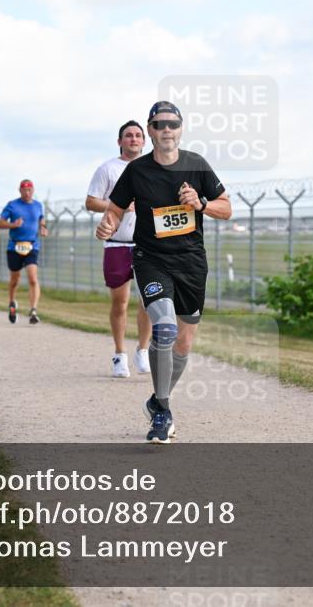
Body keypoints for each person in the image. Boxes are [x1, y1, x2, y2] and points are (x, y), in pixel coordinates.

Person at [96, 101, 231, 444]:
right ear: (151, 130)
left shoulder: (197, 166)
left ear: (181, 128)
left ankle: (157, 399)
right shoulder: (137, 171)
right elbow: (114, 209)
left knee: (183, 343)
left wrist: (201, 204)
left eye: (172, 124)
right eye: (159, 124)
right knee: (165, 327)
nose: (166, 129)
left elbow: (226, 208)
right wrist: (107, 224)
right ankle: (164, 411)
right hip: (150, 259)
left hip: (191, 263)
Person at [86, 120, 153, 378]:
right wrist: (121, 206)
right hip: (117, 244)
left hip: (147, 244)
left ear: (144, 141)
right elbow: (91, 202)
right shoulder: (108, 169)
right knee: (120, 302)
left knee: (148, 300)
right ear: (120, 141)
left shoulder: (152, 168)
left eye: (138, 135)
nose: (134, 139)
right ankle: (119, 355)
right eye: (128, 135)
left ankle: (143, 351)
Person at [0, 179, 48, 325]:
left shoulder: (38, 205)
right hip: (14, 247)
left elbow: (41, 219)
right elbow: (0, 223)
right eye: (24, 190)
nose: (27, 192)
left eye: (30, 190)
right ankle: (12, 302)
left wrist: (43, 227)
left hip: (32, 246)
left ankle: (33, 310)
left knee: (32, 277)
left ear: (33, 190)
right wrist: (13, 224)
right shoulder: (12, 205)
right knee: (15, 279)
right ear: (19, 190)